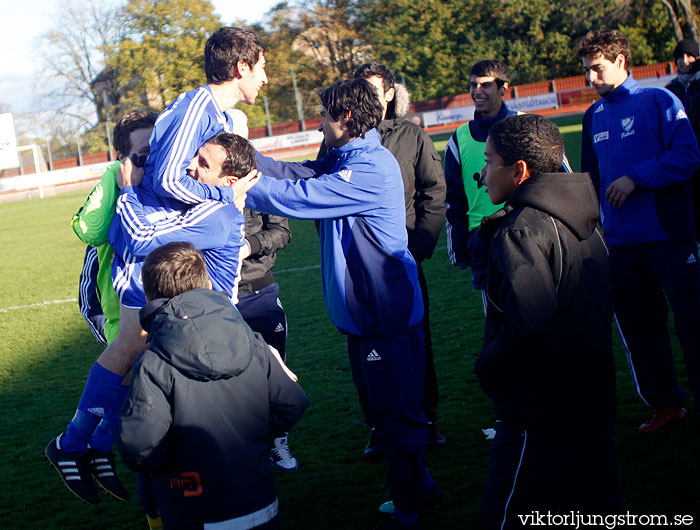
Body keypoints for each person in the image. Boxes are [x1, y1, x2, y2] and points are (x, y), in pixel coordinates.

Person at [46, 26, 266, 506]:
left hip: (158, 241)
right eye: (262, 67)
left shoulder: (210, 112)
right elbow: (168, 177)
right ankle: (71, 443)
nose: (265, 78)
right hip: (144, 240)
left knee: (145, 353)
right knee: (132, 346)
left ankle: (98, 446)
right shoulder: (197, 108)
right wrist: (221, 197)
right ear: (240, 67)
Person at [248, 78, 438, 530]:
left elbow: (301, 197)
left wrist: (237, 187)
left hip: (384, 316)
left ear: (346, 118)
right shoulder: (346, 157)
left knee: (395, 414)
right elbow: (301, 175)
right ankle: (421, 488)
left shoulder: (370, 166)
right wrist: (245, 158)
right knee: (386, 408)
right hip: (366, 318)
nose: (318, 124)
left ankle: (409, 506)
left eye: (324, 115)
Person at [476, 114, 619, 528]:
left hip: (539, 415)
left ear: (519, 170)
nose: (482, 175)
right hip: (592, 398)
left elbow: (532, 328)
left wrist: (488, 368)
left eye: (489, 162)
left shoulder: (520, 230)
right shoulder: (585, 217)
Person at [117, 241, 309, 530]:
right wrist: (249, 438)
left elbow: (140, 447)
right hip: (261, 503)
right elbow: (291, 403)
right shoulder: (253, 340)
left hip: (190, 509)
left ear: (149, 295)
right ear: (206, 281)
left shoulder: (153, 363)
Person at [319, 62, 447, 454]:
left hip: (401, 260)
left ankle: (423, 420)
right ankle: (378, 424)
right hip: (360, 266)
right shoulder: (337, 143)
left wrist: (418, 248)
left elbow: (434, 191)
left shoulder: (410, 136)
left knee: (414, 345)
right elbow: (322, 188)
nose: (369, 96)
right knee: (362, 351)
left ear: (389, 94)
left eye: (374, 89)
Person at [578, 29, 700, 431]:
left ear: (620, 62)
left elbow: (687, 156)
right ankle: (666, 404)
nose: (589, 79)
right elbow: (590, 182)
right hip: (620, 245)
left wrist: (637, 177)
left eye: (596, 69)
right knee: (641, 330)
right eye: (585, 71)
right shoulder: (592, 116)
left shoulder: (659, 100)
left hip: (668, 237)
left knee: (692, 322)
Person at [445, 60, 571, 308]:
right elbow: (453, 199)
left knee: (546, 315)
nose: (476, 91)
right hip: (484, 242)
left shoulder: (530, 126)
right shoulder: (459, 139)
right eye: (473, 85)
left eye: (485, 85)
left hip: (532, 232)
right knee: (499, 325)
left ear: (504, 89)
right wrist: (460, 246)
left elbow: (563, 177)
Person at [73, 111, 157, 347]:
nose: (152, 161)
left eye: (158, 149)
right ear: (121, 157)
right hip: (126, 323)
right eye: (144, 153)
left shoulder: (176, 184)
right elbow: (90, 232)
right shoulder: (112, 198)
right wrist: (115, 177)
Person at [665, 39, 700, 246]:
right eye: (680, 56)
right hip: (681, 157)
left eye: (689, 55)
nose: (684, 60)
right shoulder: (672, 89)